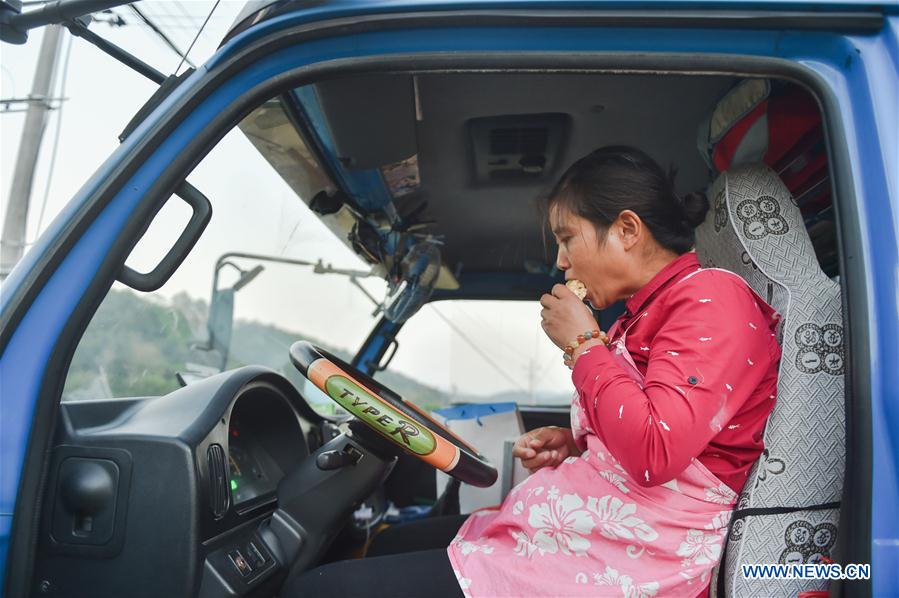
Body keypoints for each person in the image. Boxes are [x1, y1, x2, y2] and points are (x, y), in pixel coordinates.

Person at [285, 146, 781, 598]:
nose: (561, 261)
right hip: (591, 536)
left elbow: (656, 451)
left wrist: (584, 343)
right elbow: (658, 425)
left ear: (627, 230)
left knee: (317, 590)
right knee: (387, 546)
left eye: (567, 239)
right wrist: (579, 442)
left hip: (631, 562)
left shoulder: (712, 298)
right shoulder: (644, 312)